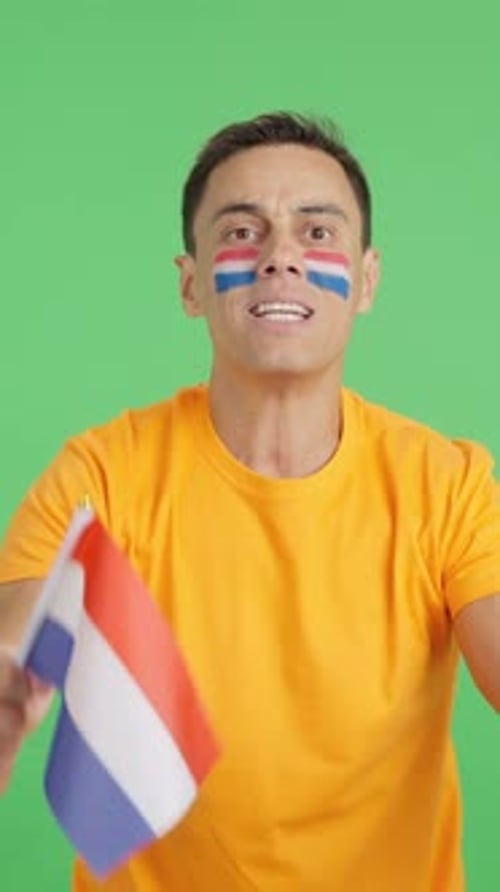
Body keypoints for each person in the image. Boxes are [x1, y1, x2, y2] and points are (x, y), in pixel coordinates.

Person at [0, 111, 499, 892]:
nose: (280, 259)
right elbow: (16, 641)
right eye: (242, 230)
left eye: (317, 232)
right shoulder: (101, 473)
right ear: (192, 283)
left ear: (365, 281)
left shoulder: (448, 483)